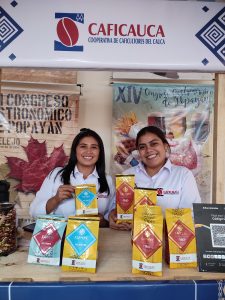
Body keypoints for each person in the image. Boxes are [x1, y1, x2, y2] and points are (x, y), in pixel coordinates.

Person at [30, 128, 127, 230]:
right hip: (59, 239)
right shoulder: (56, 175)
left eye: (94, 147)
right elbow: (33, 213)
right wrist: (56, 199)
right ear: (75, 150)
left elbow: (110, 216)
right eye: (83, 146)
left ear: (100, 152)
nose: (88, 151)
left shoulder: (107, 180)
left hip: (93, 241)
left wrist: (104, 220)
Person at [122, 125, 201, 214]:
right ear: (139, 152)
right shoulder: (126, 176)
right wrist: (113, 216)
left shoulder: (183, 175)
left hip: (172, 228)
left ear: (166, 146)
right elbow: (119, 212)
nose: (148, 150)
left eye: (154, 144)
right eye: (142, 147)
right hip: (133, 228)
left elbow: (191, 214)